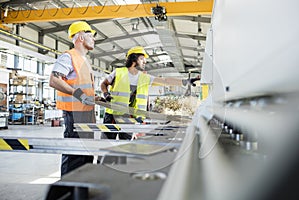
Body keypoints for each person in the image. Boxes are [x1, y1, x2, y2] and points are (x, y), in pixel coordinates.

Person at [100, 46, 199, 140]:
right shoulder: (118, 72)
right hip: (112, 115)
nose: (145, 61)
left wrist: (185, 81)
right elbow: (104, 84)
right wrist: (105, 94)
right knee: (106, 144)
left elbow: (165, 81)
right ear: (134, 59)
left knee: (124, 146)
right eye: (142, 58)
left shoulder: (145, 77)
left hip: (129, 118)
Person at [49, 21, 98, 176]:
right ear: (81, 37)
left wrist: (97, 97)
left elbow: (84, 89)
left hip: (87, 115)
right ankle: (67, 191)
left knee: (86, 156)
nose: (94, 39)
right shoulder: (68, 57)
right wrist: (78, 95)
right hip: (74, 115)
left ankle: (81, 190)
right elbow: (54, 80)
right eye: (91, 35)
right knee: (74, 156)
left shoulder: (85, 61)